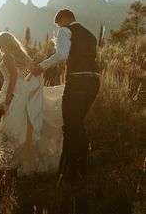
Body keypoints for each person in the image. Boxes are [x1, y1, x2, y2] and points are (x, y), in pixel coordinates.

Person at [0, 31, 64, 176]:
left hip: (13, 91)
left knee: (9, 125)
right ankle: (25, 163)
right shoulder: (21, 55)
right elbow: (33, 71)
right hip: (22, 91)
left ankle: (9, 163)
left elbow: (13, 77)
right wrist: (26, 86)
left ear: (4, 44)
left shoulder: (7, 56)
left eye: (0, 45)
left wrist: (7, 100)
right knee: (23, 125)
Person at [34, 9, 100, 183]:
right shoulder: (91, 35)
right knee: (77, 122)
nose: (58, 28)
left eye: (59, 24)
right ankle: (81, 165)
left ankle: (72, 169)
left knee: (71, 123)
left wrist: (41, 66)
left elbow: (62, 54)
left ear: (65, 19)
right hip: (94, 81)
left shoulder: (66, 30)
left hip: (78, 80)